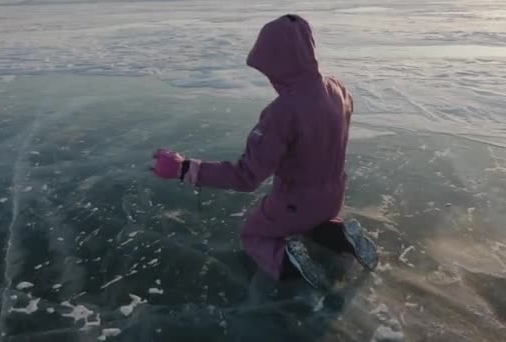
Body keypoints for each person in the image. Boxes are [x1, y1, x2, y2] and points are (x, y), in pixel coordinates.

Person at [152, 14, 377, 289]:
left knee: (254, 235)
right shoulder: (338, 90)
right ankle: (340, 235)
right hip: (333, 197)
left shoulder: (282, 113)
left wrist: (184, 168)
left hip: (295, 203)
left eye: (268, 69)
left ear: (278, 65)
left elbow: (247, 177)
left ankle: (289, 263)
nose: (269, 78)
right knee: (312, 223)